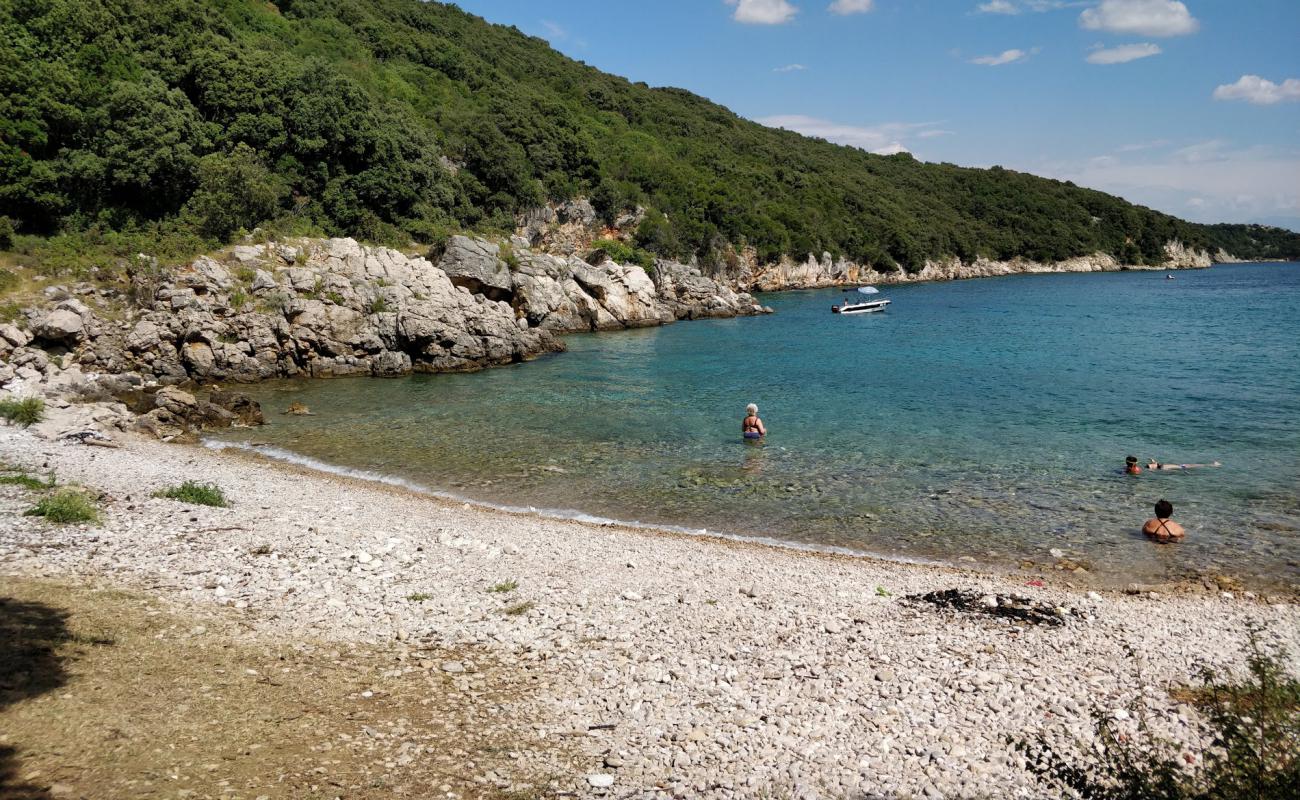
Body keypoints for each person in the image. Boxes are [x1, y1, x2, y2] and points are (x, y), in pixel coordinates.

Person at [1146, 459, 1221, 471]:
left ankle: (1213, 465)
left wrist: (1152, 460)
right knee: (1198, 465)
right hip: (1182, 467)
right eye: (1151, 465)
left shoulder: (1158, 465)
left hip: (1182, 465)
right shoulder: (1163, 468)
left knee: (1197, 464)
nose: (1152, 464)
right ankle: (1214, 465)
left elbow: (1154, 462)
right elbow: (1173, 471)